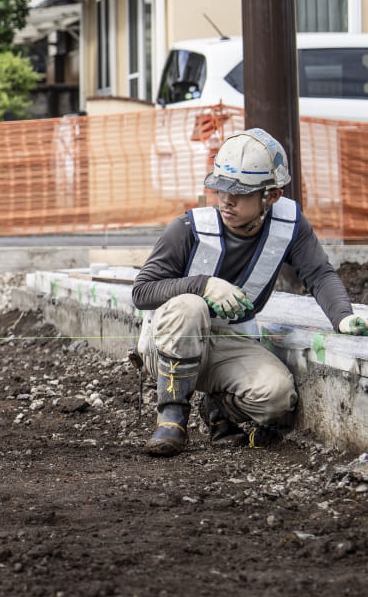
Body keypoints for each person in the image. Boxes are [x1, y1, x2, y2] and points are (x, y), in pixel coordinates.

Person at [131, 127, 366, 456]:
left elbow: (319, 273)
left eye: (240, 192)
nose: (227, 199)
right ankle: (172, 419)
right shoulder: (185, 229)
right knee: (190, 306)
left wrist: (342, 317)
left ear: (271, 195)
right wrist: (203, 285)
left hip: (230, 344)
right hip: (168, 345)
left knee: (277, 397)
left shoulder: (290, 226)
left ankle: (219, 409)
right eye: (221, 188)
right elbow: (142, 292)